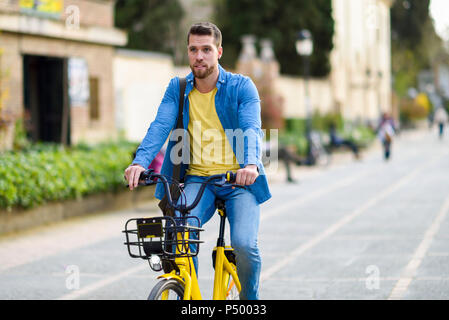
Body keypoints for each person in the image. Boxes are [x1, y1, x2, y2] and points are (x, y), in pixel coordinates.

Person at [124, 22, 271, 300]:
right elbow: (160, 125)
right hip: (197, 180)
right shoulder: (177, 89)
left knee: (243, 245)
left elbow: (251, 128)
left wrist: (250, 164)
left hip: (238, 181)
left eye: (206, 49)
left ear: (219, 52)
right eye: (193, 49)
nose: (199, 56)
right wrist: (140, 162)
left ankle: (249, 298)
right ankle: (189, 295)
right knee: (178, 237)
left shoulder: (242, 87)